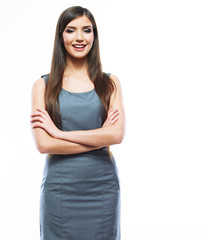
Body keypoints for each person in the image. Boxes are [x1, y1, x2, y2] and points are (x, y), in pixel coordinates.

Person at [31, 6, 124, 240]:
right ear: (61, 36)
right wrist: (100, 136)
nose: (80, 37)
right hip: (60, 189)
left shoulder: (110, 83)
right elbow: (44, 145)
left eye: (87, 30)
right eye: (71, 30)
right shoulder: (42, 86)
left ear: (94, 35)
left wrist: (58, 133)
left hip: (102, 187)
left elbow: (117, 135)